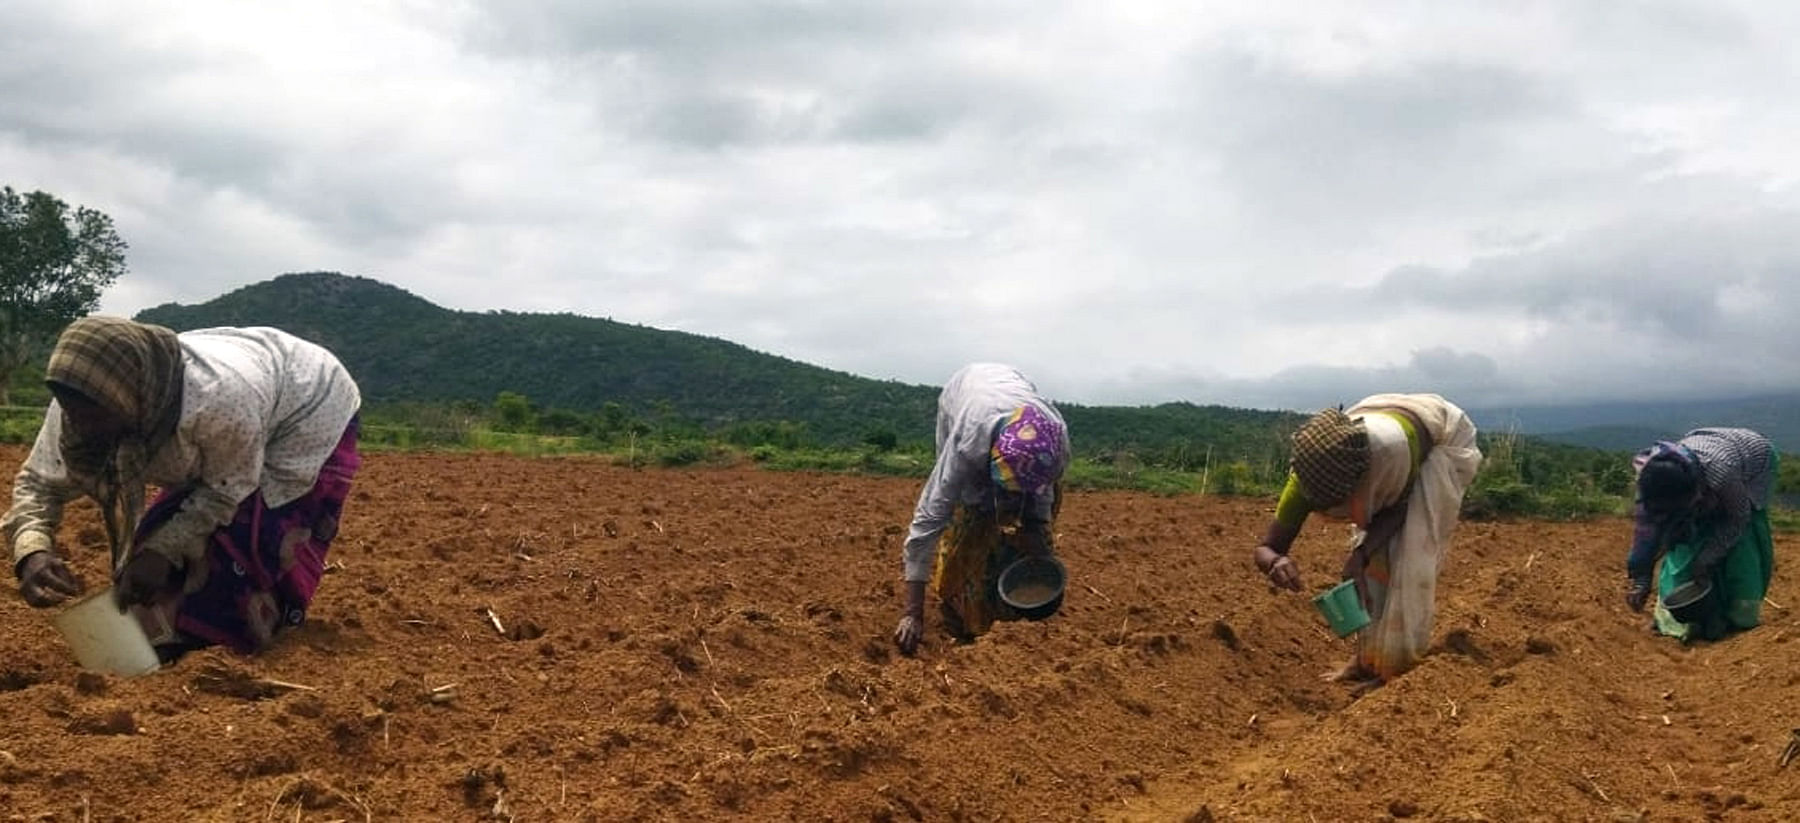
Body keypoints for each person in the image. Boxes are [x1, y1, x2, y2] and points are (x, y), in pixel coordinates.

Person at [6, 316, 362, 662]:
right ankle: (166, 632)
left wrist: (164, 551)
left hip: (308, 407)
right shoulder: (83, 395)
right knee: (153, 557)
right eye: (74, 414)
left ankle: (241, 632)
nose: (83, 427)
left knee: (247, 538)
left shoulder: (217, 399)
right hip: (242, 414)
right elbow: (39, 482)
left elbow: (226, 490)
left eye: (94, 416)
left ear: (134, 396)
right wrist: (32, 551)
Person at [1252, 394, 1481, 694]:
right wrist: (1275, 562)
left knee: (1407, 564)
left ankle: (1395, 671)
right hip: (1381, 430)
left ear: (1359, 482)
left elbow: (1398, 508)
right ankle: (1365, 660)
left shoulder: (1388, 458)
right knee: (1371, 569)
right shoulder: (1306, 481)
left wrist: (1360, 555)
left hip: (1439, 439)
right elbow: (1267, 546)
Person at [892, 363, 1071, 655]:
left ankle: (1011, 575)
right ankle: (964, 604)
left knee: (1037, 524)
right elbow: (928, 519)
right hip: (963, 398)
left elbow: (1043, 491)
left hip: (1010, 395)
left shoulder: (1056, 440)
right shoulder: (967, 441)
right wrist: (912, 612)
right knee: (974, 512)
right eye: (1007, 489)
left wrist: (1037, 535)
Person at [1624, 428, 1776, 641]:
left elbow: (1737, 519)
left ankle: (1738, 615)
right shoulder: (1651, 481)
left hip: (1754, 461)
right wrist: (1641, 579)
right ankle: (1675, 620)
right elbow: (1647, 531)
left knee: (1741, 545)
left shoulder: (1721, 474)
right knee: (1683, 541)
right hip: (1706, 465)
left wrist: (1706, 560)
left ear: (1696, 491)